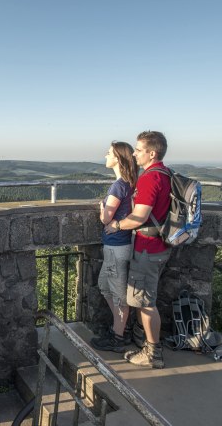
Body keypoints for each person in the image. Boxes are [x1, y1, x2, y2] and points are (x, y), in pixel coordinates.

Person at [104, 131, 171, 368]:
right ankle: (145, 343)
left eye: (139, 149)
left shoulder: (150, 178)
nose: (134, 153)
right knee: (144, 299)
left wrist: (116, 225)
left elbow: (139, 216)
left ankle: (153, 354)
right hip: (159, 246)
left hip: (148, 248)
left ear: (151, 153)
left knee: (145, 302)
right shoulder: (165, 173)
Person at [90, 141, 138, 352]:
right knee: (104, 286)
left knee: (119, 296)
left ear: (118, 159)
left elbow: (106, 218)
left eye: (109, 153)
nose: (106, 155)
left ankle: (119, 337)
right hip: (120, 246)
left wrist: (102, 209)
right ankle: (120, 326)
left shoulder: (118, 186)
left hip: (116, 247)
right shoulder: (129, 183)